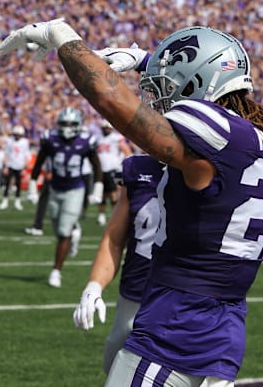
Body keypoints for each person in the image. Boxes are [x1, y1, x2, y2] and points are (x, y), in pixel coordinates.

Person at [0, 20, 263, 385]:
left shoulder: (213, 134)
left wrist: (65, 38)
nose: (160, 98)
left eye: (167, 88)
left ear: (200, 83)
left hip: (177, 326)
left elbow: (112, 100)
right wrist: (143, 59)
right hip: (224, 328)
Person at [73, 154, 164, 374]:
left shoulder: (221, 168)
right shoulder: (139, 169)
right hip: (135, 293)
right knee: (113, 367)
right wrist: (94, 286)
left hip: (188, 302)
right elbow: (115, 239)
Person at [29, 108, 102, 287]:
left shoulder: (86, 142)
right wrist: (32, 188)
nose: (67, 127)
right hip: (55, 189)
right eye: (64, 123)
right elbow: (38, 163)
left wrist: (97, 190)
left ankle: (56, 271)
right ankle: (74, 228)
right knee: (57, 226)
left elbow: (97, 167)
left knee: (63, 232)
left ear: (78, 125)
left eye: (71, 124)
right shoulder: (50, 139)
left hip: (75, 190)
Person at [95, 120, 132, 225]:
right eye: (104, 128)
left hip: (112, 169)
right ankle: (101, 215)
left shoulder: (116, 138)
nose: (106, 130)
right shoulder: (98, 138)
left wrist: (122, 166)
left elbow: (127, 152)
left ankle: (115, 217)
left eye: (108, 128)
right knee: (101, 194)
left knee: (113, 194)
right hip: (100, 170)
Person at [0, 125, 31, 211]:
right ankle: (5, 201)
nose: (17, 136)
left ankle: (17, 202)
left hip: (20, 166)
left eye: (18, 134)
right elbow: (6, 153)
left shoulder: (25, 142)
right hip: (10, 165)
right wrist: (5, 166)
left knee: (18, 185)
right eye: (16, 134)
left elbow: (26, 155)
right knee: (7, 184)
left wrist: (25, 167)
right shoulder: (10, 141)